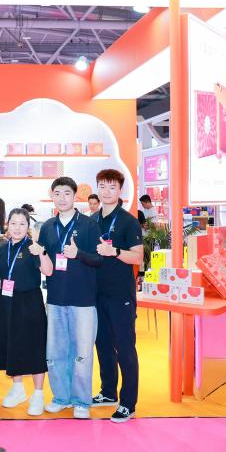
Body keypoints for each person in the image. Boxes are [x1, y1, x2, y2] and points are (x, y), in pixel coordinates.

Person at [37, 177, 102, 419]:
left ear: (75, 196)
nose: (62, 198)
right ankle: (61, 397)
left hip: (83, 300)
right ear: (51, 196)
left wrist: (78, 254)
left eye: (67, 193)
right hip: (55, 299)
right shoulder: (47, 226)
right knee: (55, 353)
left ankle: (82, 401)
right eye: (57, 193)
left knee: (82, 353)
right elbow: (43, 260)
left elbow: (99, 259)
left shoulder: (88, 224)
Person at [0, 207, 53, 416]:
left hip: (30, 302)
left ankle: (38, 394)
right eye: (13, 223)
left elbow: (48, 270)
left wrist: (42, 252)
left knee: (35, 347)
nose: (17, 228)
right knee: (11, 346)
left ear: (28, 227)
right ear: (7, 225)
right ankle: (17, 389)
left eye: (22, 224)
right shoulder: (2, 248)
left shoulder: (33, 247)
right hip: (6, 303)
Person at [92, 169, 144, 423]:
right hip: (96, 294)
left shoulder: (128, 221)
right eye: (102, 186)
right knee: (102, 344)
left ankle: (128, 403)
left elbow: (138, 257)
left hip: (121, 295)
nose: (106, 191)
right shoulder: (92, 220)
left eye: (112, 187)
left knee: (124, 347)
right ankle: (108, 392)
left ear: (120, 190)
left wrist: (115, 252)